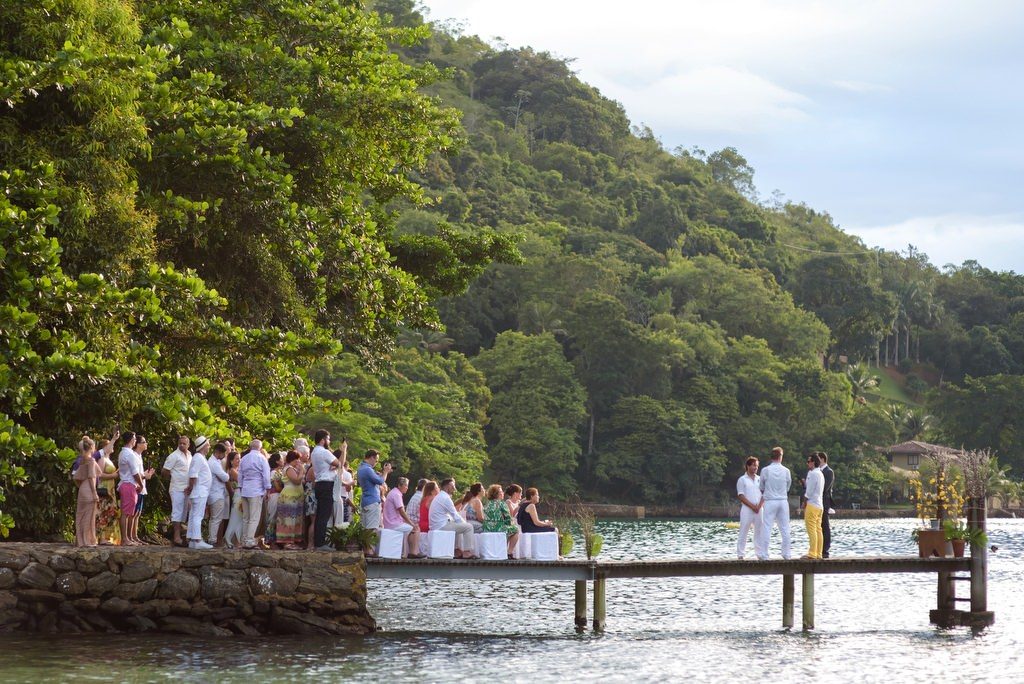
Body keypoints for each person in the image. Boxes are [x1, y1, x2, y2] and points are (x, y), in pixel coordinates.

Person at [756, 446, 792, 560]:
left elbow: (761, 486)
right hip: (782, 501)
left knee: (767, 527)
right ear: (781, 457)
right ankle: (786, 554)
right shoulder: (786, 471)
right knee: (785, 528)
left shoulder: (765, 470)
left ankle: (764, 554)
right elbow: (788, 486)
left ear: (771, 457)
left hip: (770, 501)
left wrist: (768, 491)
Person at [429, 478, 476, 559]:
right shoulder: (445, 498)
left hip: (437, 525)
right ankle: (467, 552)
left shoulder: (440, 496)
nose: (454, 488)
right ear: (447, 487)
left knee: (457, 525)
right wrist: (465, 523)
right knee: (468, 527)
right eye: (453, 486)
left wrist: (461, 523)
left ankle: (457, 551)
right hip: (441, 526)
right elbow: (455, 515)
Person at [238, 439, 271, 549]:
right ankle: (249, 540)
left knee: (246, 517)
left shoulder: (244, 458)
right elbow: (266, 476)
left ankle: (244, 539)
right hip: (256, 489)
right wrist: (268, 488)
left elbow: (240, 475)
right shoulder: (262, 458)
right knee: (254, 517)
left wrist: (241, 486)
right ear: (260, 448)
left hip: (245, 489)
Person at [311, 430, 340, 550]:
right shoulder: (324, 451)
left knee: (320, 515)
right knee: (324, 515)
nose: (329, 441)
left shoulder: (314, 452)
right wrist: (343, 450)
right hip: (326, 484)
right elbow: (338, 463)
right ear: (323, 440)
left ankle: (319, 542)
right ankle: (320, 543)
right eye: (328, 439)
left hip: (319, 483)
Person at [161, 435, 192, 547]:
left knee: (184, 513)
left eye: (184, 443)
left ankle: (183, 536)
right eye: (180, 443)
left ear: (188, 445)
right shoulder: (173, 456)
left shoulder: (189, 455)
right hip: (177, 488)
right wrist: (174, 478)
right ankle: (176, 537)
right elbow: (164, 471)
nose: (182, 445)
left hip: (187, 489)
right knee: (177, 512)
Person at [383, 477, 424, 558]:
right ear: (399, 485)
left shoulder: (394, 492)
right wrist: (412, 524)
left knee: (412, 527)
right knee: (415, 528)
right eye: (405, 485)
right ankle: (413, 552)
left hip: (391, 522)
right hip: (393, 524)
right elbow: (402, 512)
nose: (407, 488)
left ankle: (409, 552)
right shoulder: (396, 494)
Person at [184, 437, 213, 549]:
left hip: (200, 491)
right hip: (199, 492)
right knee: (197, 516)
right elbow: (193, 475)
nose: (209, 446)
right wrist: (191, 487)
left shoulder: (200, 458)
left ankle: (192, 540)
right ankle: (197, 540)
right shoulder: (198, 458)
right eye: (208, 444)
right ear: (204, 446)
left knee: (193, 515)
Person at [356, 449, 392, 535]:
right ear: (372, 457)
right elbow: (380, 481)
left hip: (365, 501)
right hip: (372, 502)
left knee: (365, 530)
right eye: (376, 460)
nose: (376, 463)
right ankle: (369, 549)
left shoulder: (360, 468)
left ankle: (366, 548)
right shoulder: (368, 469)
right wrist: (385, 472)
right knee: (371, 530)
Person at [73, 436, 100, 547]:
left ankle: (80, 540)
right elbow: (91, 477)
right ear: (92, 447)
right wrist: (94, 493)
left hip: (82, 490)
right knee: (89, 516)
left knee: (81, 515)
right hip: (88, 489)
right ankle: (87, 540)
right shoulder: (91, 460)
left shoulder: (82, 459)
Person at [116, 432, 142, 546]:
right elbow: (135, 472)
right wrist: (141, 484)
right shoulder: (129, 454)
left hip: (126, 484)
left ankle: (127, 538)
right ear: (131, 439)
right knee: (126, 513)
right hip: (128, 484)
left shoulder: (123, 453)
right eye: (135, 439)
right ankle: (125, 539)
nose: (135, 440)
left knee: (128, 513)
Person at [276, 450, 306, 549]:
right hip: (289, 497)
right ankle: (286, 541)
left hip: (296, 497)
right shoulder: (289, 468)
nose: (298, 461)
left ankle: (293, 540)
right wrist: (302, 470)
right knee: (288, 519)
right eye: (297, 459)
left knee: (295, 519)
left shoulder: (293, 468)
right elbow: (297, 481)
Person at [129, 435, 156, 544]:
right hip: (136, 487)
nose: (146, 444)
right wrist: (145, 476)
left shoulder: (139, 456)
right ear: (138, 444)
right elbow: (135, 473)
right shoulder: (134, 456)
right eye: (144, 442)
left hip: (141, 486)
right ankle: (130, 536)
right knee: (133, 513)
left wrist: (145, 474)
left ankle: (134, 536)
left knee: (138, 513)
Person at [736, 456, 764, 560]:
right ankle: (740, 554)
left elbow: (764, 493)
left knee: (759, 531)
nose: (755, 468)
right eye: (753, 465)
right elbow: (741, 495)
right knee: (744, 530)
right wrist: (752, 506)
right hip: (747, 509)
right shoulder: (742, 480)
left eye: (757, 466)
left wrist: (759, 506)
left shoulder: (760, 479)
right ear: (748, 466)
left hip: (759, 509)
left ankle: (760, 553)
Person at [482, 484, 520, 559]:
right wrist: (510, 524)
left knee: (508, 529)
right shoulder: (501, 503)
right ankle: (509, 552)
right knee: (515, 530)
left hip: (487, 528)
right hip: (497, 528)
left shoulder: (487, 504)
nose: (503, 493)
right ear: (497, 494)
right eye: (501, 492)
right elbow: (508, 518)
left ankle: (503, 550)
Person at [801, 453, 825, 560]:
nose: (807, 463)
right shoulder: (820, 473)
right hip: (820, 505)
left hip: (812, 504)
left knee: (811, 529)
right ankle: (819, 553)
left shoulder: (812, 474)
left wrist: (804, 502)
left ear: (813, 462)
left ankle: (812, 553)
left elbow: (809, 491)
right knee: (818, 529)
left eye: (809, 461)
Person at [207, 443, 230, 547]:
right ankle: (212, 539)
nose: (224, 456)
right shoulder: (214, 463)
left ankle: (212, 539)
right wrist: (227, 475)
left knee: (214, 518)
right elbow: (225, 477)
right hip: (216, 493)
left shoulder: (214, 461)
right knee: (216, 518)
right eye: (223, 453)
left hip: (214, 493)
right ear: (218, 452)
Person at [223, 450, 244, 547]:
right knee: (236, 517)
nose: (239, 460)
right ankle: (231, 539)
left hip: (242, 494)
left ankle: (238, 540)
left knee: (241, 518)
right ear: (231, 461)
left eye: (239, 458)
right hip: (238, 494)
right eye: (236, 459)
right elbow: (241, 480)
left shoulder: (240, 469)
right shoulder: (232, 470)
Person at [265, 452, 284, 548]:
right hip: (274, 496)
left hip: (277, 496)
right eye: (281, 459)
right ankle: (270, 541)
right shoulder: (273, 473)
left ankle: (275, 540)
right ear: (277, 461)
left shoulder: (279, 472)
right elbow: (276, 487)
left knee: (276, 518)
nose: (282, 460)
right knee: (272, 518)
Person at [820, 452, 835, 558]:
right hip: (818, 502)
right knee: (819, 525)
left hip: (824, 501)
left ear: (823, 459)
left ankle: (825, 548)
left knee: (825, 525)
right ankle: (820, 547)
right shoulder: (818, 471)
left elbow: (826, 488)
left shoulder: (829, 472)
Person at [330, 445, 349, 527]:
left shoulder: (329, 469)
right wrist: (344, 450)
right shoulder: (336, 469)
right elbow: (341, 463)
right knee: (337, 524)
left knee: (329, 524)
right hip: (336, 499)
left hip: (330, 498)